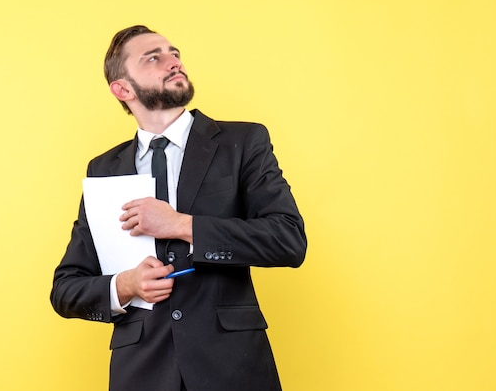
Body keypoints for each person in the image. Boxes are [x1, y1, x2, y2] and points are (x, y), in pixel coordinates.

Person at [50, 25, 307, 391]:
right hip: (142, 373)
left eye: (174, 53)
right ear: (122, 89)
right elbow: (66, 289)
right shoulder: (103, 170)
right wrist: (125, 285)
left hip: (233, 369)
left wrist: (182, 225)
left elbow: (288, 240)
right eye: (153, 58)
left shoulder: (243, 141)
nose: (173, 62)